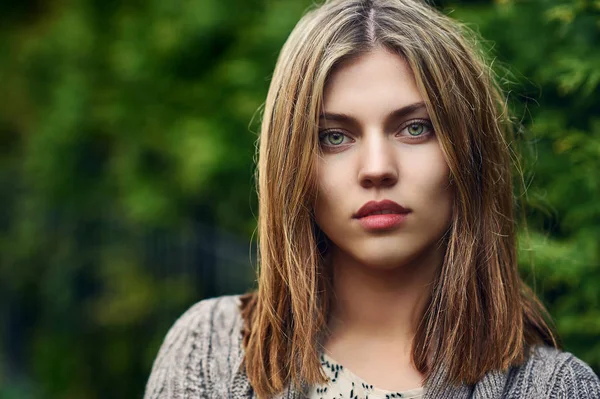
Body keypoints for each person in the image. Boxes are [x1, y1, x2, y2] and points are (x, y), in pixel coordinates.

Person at [143, 0, 600, 398]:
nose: (377, 167)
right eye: (335, 137)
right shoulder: (209, 353)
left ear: (469, 152)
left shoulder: (556, 389)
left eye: (415, 128)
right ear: (290, 164)